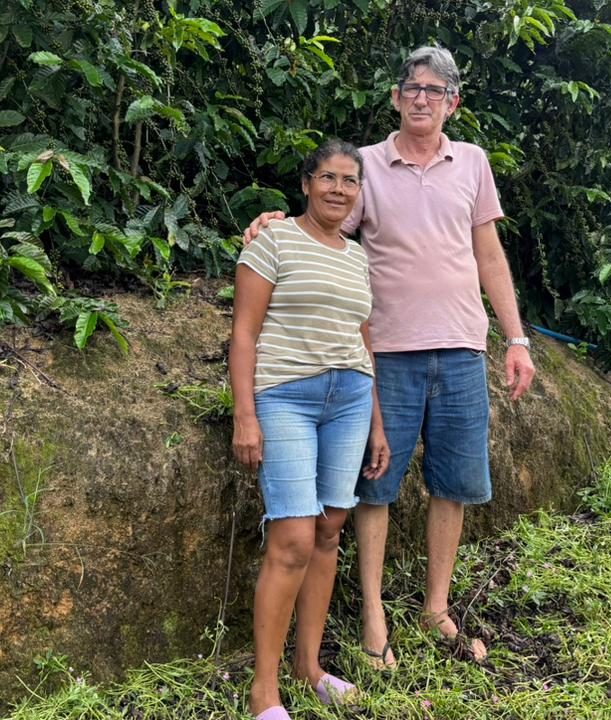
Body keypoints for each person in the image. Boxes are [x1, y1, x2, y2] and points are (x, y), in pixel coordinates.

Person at [243, 46, 536, 672]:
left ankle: (436, 607)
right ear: (396, 98)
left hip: (462, 345)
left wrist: (516, 339)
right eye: (412, 88)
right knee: (375, 486)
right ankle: (373, 614)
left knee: (452, 484)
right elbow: (325, 224)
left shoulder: (473, 162)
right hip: (385, 354)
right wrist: (274, 223)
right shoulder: (367, 166)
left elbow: (488, 254)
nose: (422, 99)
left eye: (435, 90)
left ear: (453, 102)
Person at [230, 139, 391, 720]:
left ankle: (309, 666)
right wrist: (245, 415)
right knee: (294, 538)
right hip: (285, 399)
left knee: (329, 530)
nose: (338, 190)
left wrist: (377, 424)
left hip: (349, 401)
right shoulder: (272, 239)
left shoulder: (356, 256)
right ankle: (264, 691)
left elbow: (363, 340)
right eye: (328, 178)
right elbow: (244, 333)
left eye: (350, 181)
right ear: (306, 184)